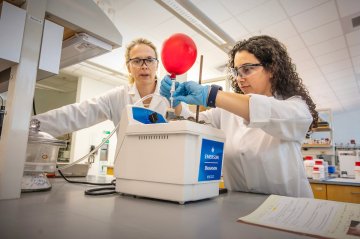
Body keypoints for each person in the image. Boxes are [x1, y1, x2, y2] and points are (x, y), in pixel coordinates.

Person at [161, 35, 318, 198]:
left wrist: (210, 95)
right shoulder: (226, 112)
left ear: (271, 69)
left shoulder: (295, 107)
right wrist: (175, 101)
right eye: (236, 71)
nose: (239, 78)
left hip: (289, 209)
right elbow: (192, 121)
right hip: (238, 208)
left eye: (247, 69)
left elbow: (263, 109)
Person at [33, 37, 168, 142]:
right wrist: (25, 126)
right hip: (128, 171)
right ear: (129, 67)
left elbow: (188, 123)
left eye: (149, 60)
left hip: (167, 172)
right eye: (137, 61)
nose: (144, 66)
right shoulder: (118, 96)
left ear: (157, 65)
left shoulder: (171, 96)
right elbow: (76, 114)